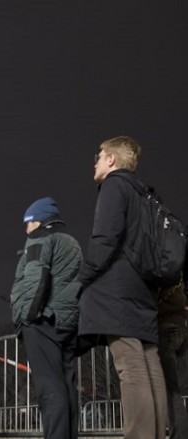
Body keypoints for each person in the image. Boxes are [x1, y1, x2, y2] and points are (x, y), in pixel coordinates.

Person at [77, 136, 167, 439]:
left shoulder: (115, 186)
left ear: (112, 160)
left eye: (99, 156)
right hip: (143, 288)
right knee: (149, 363)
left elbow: (105, 238)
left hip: (117, 290)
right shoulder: (145, 195)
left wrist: (83, 276)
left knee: (130, 367)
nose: (96, 161)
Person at [11, 197, 82, 439]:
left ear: (37, 221)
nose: (26, 229)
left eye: (27, 223)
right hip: (67, 321)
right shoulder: (71, 242)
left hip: (43, 321)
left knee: (49, 389)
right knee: (67, 386)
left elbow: (35, 278)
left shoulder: (39, 238)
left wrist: (26, 317)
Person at [156, 279, 188, 439]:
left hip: (164, 328)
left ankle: (180, 434)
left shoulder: (160, 268)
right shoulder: (177, 271)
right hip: (179, 326)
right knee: (174, 386)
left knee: (169, 389)